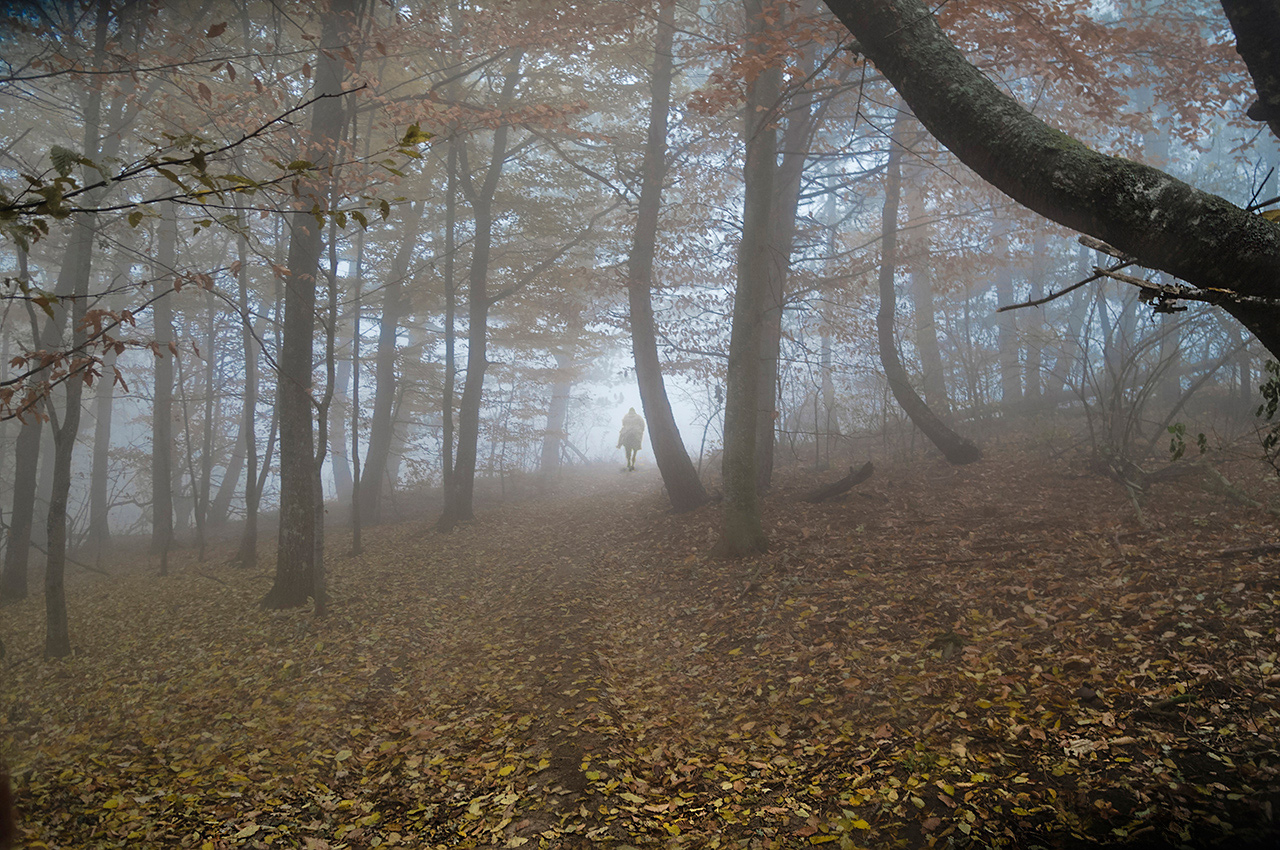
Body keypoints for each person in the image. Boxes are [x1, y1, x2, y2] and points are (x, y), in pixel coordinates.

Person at [617, 407, 645, 471]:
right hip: (636, 430)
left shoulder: (626, 416)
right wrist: (641, 430)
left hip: (627, 430)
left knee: (621, 435)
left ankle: (619, 444)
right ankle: (638, 445)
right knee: (639, 437)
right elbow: (642, 425)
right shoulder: (638, 417)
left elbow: (623, 423)